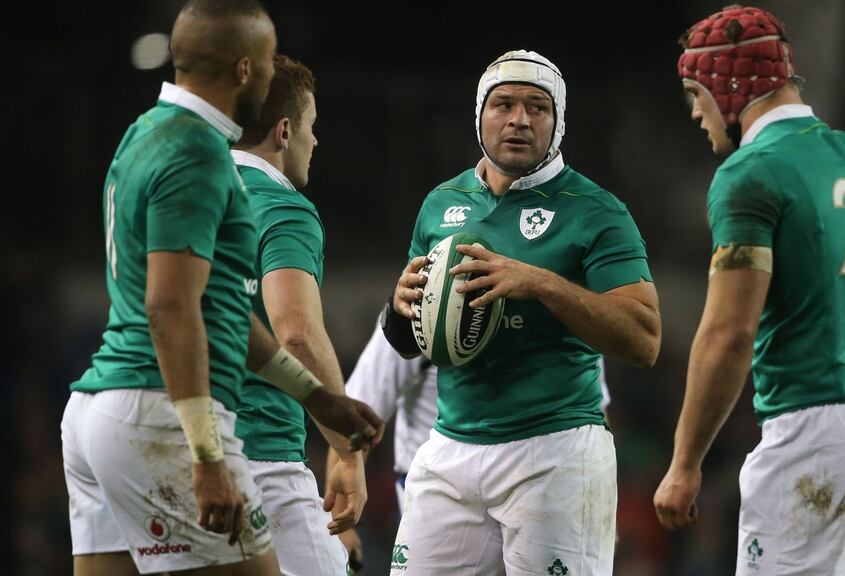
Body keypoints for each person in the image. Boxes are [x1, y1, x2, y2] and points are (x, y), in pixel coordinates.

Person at [60, 2, 381, 574]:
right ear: (245, 70)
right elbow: (170, 307)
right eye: (267, 59)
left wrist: (317, 398)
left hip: (95, 411)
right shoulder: (199, 153)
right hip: (159, 411)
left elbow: (222, 309)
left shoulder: (143, 134)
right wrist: (207, 455)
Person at [652, 6, 845, 575]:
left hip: (817, 434)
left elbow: (729, 334)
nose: (695, 112)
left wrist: (684, 463)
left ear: (730, 87)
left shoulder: (751, 174)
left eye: (695, 93)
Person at [380, 49, 661, 575]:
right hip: (450, 446)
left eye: (537, 107)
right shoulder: (440, 203)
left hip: (554, 451)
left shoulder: (596, 210)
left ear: (558, 123)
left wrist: (540, 283)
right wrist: (398, 311)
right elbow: (411, 341)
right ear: (480, 115)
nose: (519, 120)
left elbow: (644, 339)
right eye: (503, 104)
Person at [231, 54, 368, 576]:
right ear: (284, 131)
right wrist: (347, 451)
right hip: (261, 454)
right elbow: (297, 336)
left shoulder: (186, 194)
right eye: (311, 126)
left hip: (172, 445)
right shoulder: (282, 207)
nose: (316, 141)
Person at [338, 324, 613, 570]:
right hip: (437, 492)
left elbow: (594, 408)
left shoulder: (557, 314)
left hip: (537, 479)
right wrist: (343, 523)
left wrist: (598, 507)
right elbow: (357, 411)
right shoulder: (428, 310)